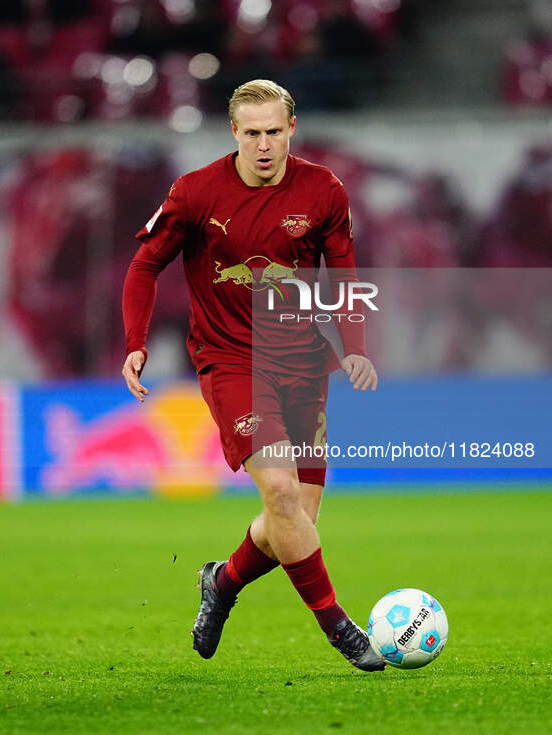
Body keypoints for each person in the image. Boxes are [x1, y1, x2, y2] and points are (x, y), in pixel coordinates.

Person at [121, 79, 384, 672]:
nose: (264, 145)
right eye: (252, 133)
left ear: (292, 129)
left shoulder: (324, 190)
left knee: (295, 522)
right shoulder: (194, 193)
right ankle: (340, 628)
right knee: (283, 494)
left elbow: (346, 276)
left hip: (302, 362)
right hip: (230, 363)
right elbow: (144, 266)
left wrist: (355, 347)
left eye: (274, 132)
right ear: (233, 132)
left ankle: (222, 581)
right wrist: (135, 343)